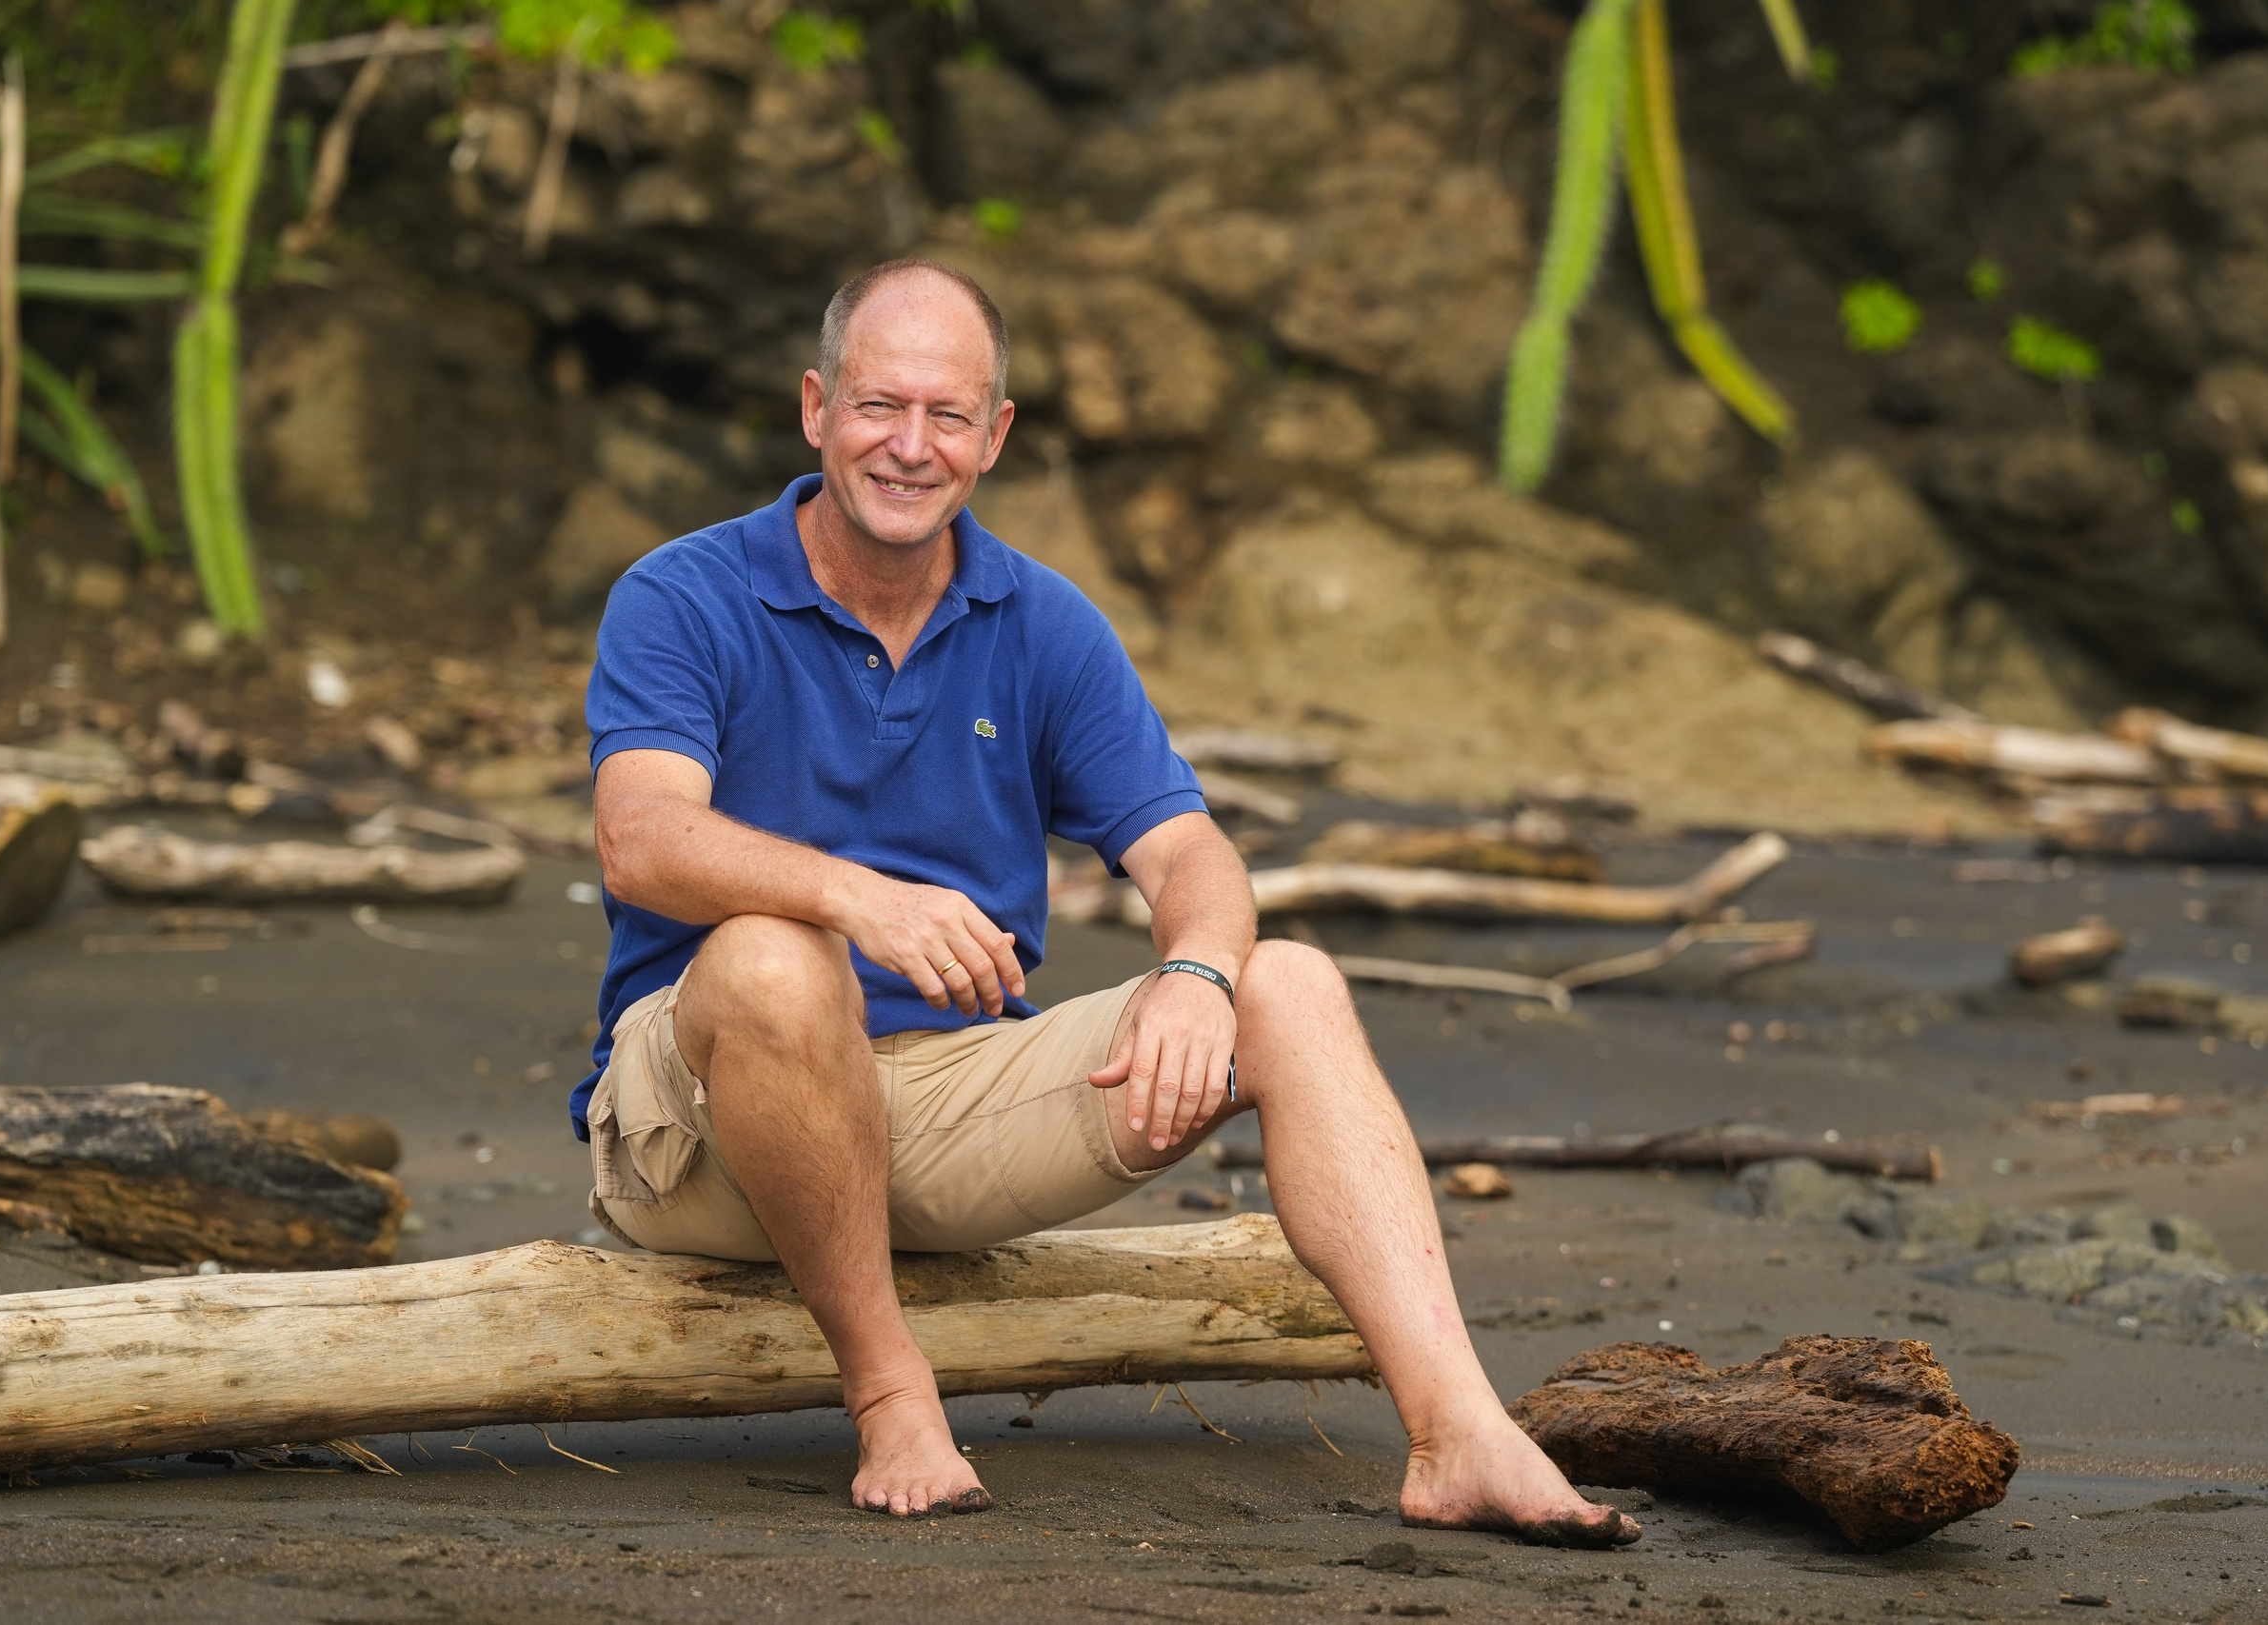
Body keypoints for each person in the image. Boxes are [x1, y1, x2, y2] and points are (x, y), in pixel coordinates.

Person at [576, 258, 1641, 1549]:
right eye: (878, 407)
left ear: (996, 437)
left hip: (944, 1101)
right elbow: (639, 841)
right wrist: (859, 898)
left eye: (948, 416)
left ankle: (1456, 1429)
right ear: (815, 408)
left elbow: (1192, 856)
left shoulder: (1044, 623)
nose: (909, 447)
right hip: (700, 1125)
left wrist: (1197, 975)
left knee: (1287, 982)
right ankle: (891, 1392)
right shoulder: (682, 593)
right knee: (769, 961)